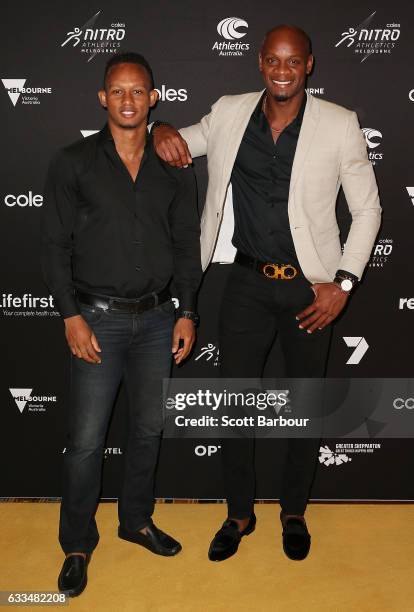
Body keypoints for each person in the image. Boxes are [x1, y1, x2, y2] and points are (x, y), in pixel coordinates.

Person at [152, 25, 381, 561]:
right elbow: (180, 141)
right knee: (236, 406)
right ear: (260, 63)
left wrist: (343, 282)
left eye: (293, 61)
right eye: (273, 60)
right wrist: (161, 123)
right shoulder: (231, 112)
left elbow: (368, 210)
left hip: (311, 288)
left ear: (309, 65)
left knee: (306, 406)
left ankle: (295, 511)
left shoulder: (340, 123)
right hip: (246, 283)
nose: (283, 70)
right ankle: (238, 513)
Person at [41, 52, 201, 596]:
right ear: (102, 98)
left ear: (155, 98)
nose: (129, 100)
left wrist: (187, 311)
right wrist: (70, 315)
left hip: (159, 321)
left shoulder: (176, 167)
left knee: (148, 431)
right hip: (97, 320)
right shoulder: (72, 163)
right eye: (118, 91)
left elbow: (186, 246)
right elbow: (53, 245)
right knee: (85, 442)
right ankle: (77, 544)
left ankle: (135, 521)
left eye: (139, 91)